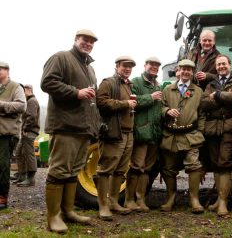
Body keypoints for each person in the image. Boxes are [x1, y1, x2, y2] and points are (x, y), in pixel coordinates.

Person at [41, 29, 100, 233]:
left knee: (73, 171)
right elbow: (47, 82)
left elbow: (92, 100)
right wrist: (76, 92)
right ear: (76, 40)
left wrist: (94, 125)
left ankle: (68, 211)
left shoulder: (89, 68)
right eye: (85, 40)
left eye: (92, 42)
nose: (88, 44)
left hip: (83, 129)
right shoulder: (61, 57)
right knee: (58, 171)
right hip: (65, 126)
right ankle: (53, 218)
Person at [200, 54, 232, 216]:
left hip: (229, 127)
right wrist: (225, 98)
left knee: (225, 163)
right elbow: (204, 103)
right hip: (212, 128)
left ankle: (223, 203)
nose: (221, 67)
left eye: (223, 64)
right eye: (218, 64)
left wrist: (217, 95)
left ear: (229, 65)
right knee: (216, 164)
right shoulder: (210, 83)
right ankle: (219, 199)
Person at [160, 59, 205, 213]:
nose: (186, 72)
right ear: (178, 70)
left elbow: (203, 114)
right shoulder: (167, 90)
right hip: (171, 135)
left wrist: (200, 132)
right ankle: (171, 198)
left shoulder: (198, 92)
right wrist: (166, 111)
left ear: (192, 73)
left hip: (190, 135)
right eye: (183, 69)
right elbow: (160, 107)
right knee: (169, 168)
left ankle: (194, 199)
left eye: (189, 70)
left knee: (194, 166)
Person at [94, 56, 137, 220]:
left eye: (130, 67)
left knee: (120, 170)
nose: (127, 69)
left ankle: (112, 201)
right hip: (113, 133)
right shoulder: (108, 82)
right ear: (117, 66)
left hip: (128, 133)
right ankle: (103, 205)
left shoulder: (128, 84)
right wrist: (125, 104)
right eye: (124, 66)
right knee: (105, 170)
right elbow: (102, 103)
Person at [126, 56, 162, 213]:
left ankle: (141, 199)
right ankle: (129, 200)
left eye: (157, 65)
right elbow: (131, 102)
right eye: (151, 65)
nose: (154, 67)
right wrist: (150, 97)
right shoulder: (135, 82)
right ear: (145, 65)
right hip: (141, 131)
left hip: (154, 133)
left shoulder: (158, 85)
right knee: (136, 167)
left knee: (147, 168)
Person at [0, 61, 26, 210]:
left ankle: (2, 197)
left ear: (7, 71)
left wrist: (1, 105)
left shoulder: (15, 87)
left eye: (1, 69)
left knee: (2, 165)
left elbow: (22, 106)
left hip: (7, 133)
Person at [13, 84, 40, 187]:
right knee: (19, 153)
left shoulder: (32, 101)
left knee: (29, 154)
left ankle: (31, 178)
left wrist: (25, 128)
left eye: (22, 91)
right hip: (25, 131)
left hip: (29, 131)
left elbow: (31, 116)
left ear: (28, 90)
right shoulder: (28, 101)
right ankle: (22, 175)